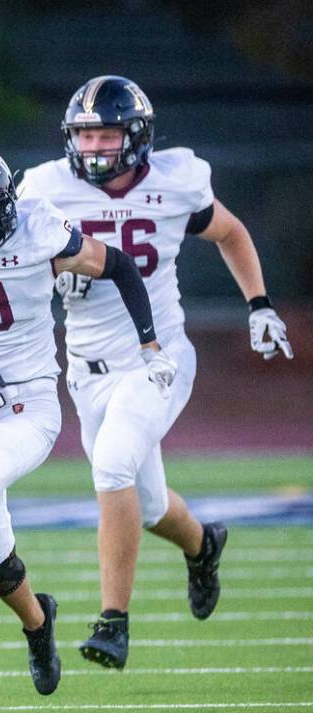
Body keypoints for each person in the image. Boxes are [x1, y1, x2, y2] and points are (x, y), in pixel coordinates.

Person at [17, 75, 294, 669]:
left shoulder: (175, 182)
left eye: (104, 134)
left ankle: (113, 621)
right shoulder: (44, 189)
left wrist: (260, 304)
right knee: (144, 505)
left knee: (113, 463)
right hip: (85, 372)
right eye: (83, 135)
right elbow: (13, 264)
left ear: (136, 136)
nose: (92, 147)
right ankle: (203, 544)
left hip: (157, 356)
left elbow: (230, 232)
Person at [0, 144, 177, 695]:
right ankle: (38, 621)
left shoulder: (40, 231)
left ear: (6, 207)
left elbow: (117, 265)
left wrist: (150, 344)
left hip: (28, 404)